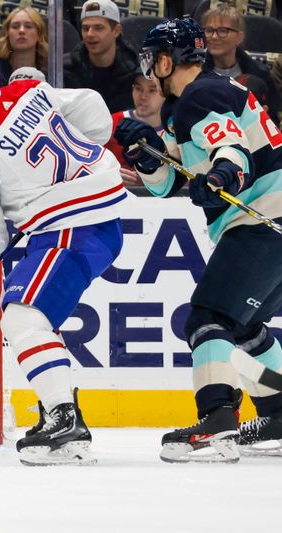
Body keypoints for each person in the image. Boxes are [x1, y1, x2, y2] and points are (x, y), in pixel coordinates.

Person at [0, 40, 127, 466]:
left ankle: (64, 419)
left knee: (21, 318)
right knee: (33, 320)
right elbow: (91, 108)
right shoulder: (26, 91)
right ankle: (63, 422)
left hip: (71, 226)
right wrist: (73, 163)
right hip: (95, 219)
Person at [114, 17, 282, 463]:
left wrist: (224, 173)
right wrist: (147, 149)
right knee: (242, 327)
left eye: (151, 60)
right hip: (269, 219)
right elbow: (168, 183)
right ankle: (281, 413)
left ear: (167, 60)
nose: (148, 71)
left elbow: (231, 152)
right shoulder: (189, 104)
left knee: (207, 319)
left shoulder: (200, 95)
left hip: (265, 219)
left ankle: (217, 421)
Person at [200, 3, 280, 123]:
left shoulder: (260, 74)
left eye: (223, 31)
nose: (214, 36)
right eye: (209, 30)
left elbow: (273, 120)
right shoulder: (194, 72)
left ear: (239, 37)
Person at [64, 0, 141, 113]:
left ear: (116, 30)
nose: (89, 34)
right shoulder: (65, 69)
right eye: (85, 28)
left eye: (98, 28)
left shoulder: (136, 71)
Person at [104, 74, 165, 185]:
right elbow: (90, 163)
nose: (143, 96)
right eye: (138, 89)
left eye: (152, 90)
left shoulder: (176, 129)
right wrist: (106, 175)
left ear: (165, 91)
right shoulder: (111, 124)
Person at [0, 6, 49, 88]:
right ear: (7, 34)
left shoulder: (52, 75)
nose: (21, 30)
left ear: (39, 34)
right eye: (15, 27)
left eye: (28, 26)